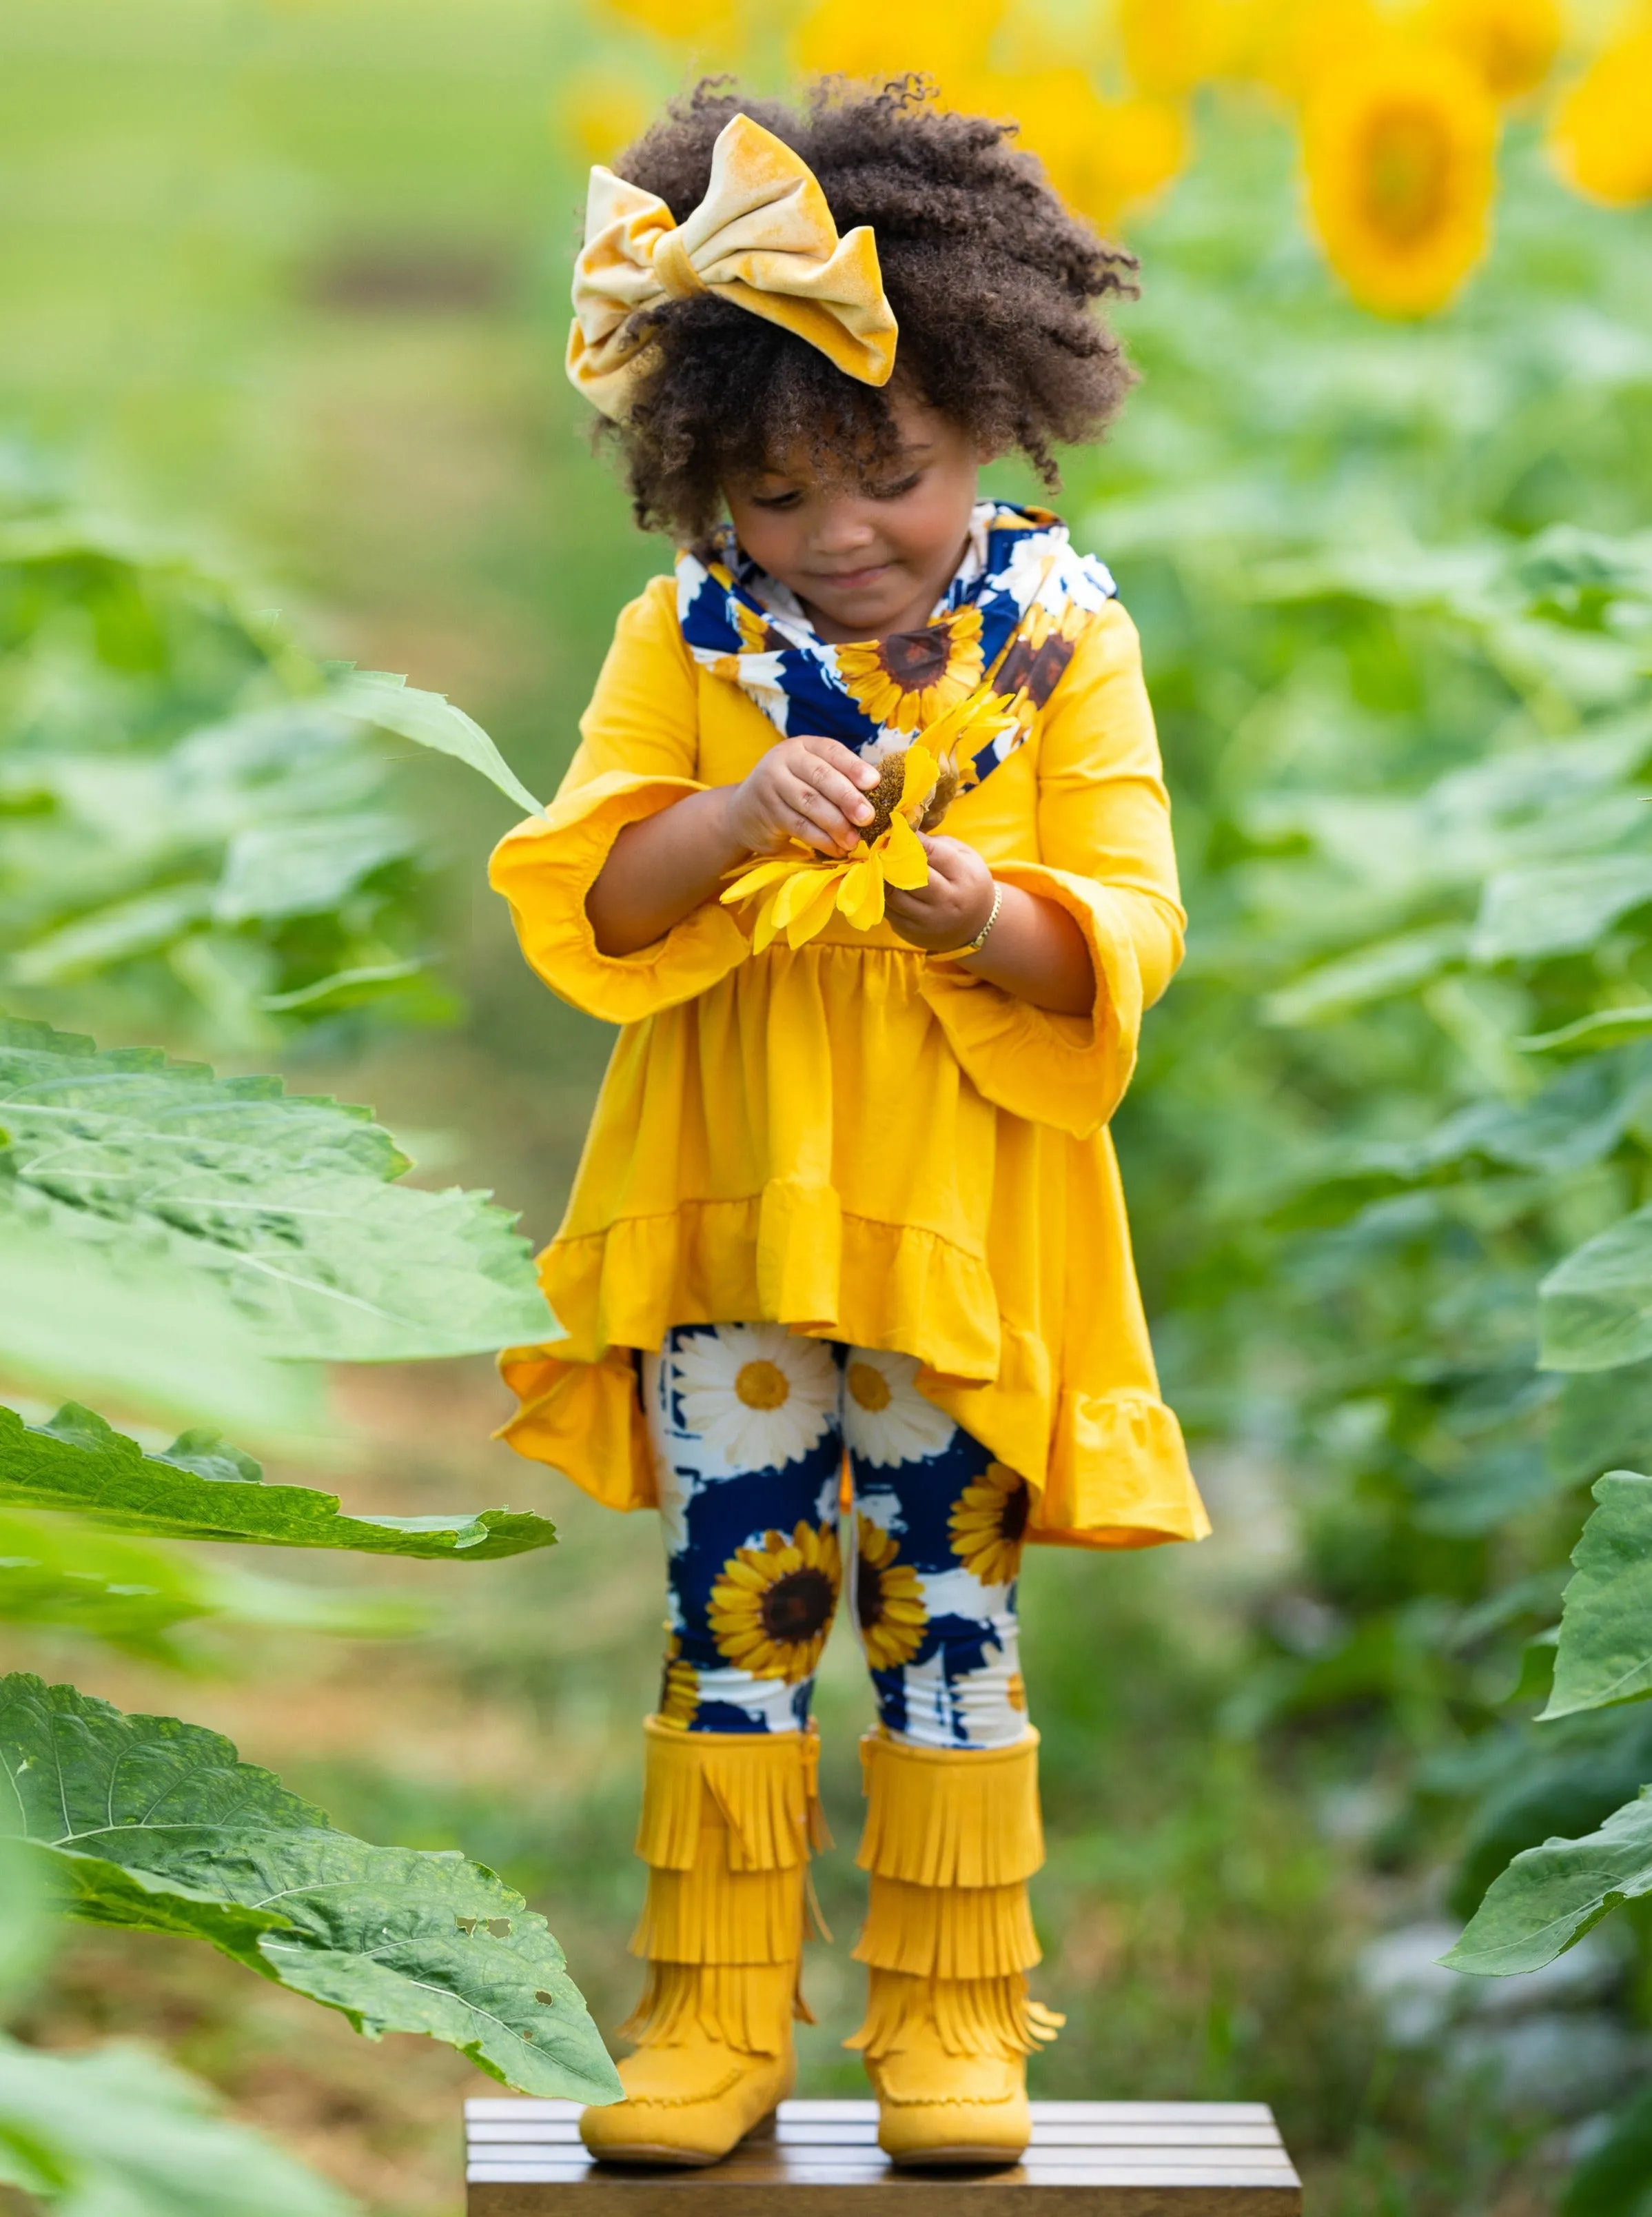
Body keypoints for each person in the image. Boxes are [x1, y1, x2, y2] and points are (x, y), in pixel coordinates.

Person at [489, 79, 1209, 2171]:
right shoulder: (683, 647)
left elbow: (1135, 921)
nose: (833, 537)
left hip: (956, 1236)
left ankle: (951, 2023)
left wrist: (989, 909)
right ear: (698, 482)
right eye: (773, 494)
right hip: (736, 1238)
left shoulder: (1063, 652)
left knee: (941, 1618)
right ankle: (713, 2021)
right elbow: (593, 898)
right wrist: (724, 816)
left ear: (988, 417)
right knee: (737, 1615)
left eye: (880, 476)